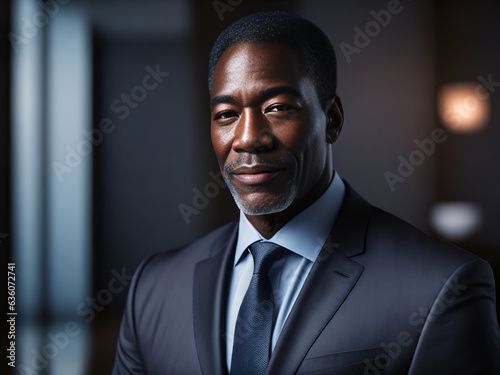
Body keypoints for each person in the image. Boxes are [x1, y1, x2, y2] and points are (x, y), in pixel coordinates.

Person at [112, 11, 500, 375]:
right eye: (227, 114)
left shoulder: (441, 287)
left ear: (331, 120)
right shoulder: (154, 287)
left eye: (278, 108)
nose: (248, 139)